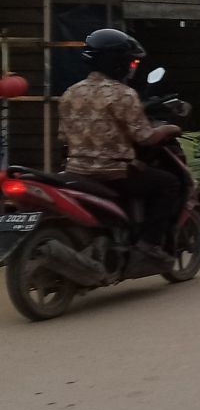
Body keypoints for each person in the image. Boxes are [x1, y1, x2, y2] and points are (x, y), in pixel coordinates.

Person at [58, 29, 184, 266]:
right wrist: (170, 129)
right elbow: (144, 137)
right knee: (169, 183)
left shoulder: (69, 93)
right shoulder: (123, 94)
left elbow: (63, 136)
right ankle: (149, 243)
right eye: (130, 61)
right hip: (114, 174)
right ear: (118, 62)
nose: (131, 66)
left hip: (75, 172)